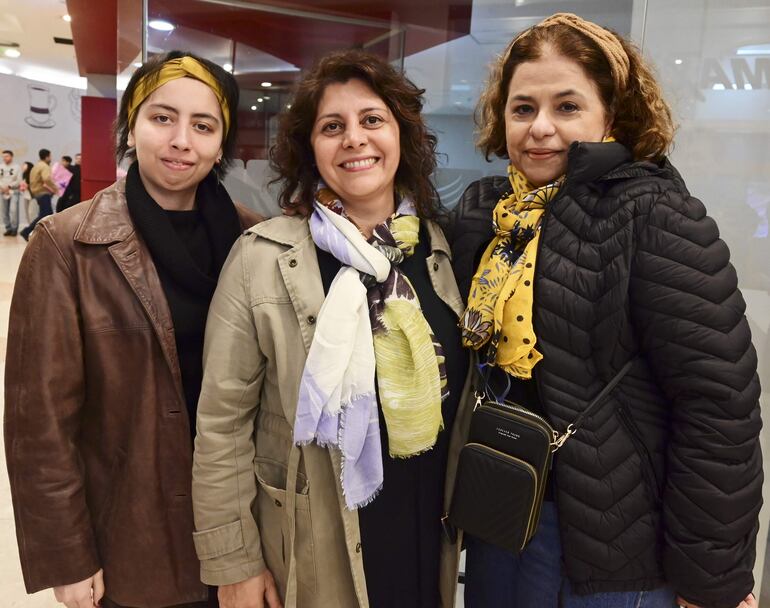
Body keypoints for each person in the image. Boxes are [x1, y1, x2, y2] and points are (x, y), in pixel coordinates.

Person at [449, 13, 761, 608]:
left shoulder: (656, 216)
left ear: (611, 116)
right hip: (506, 512)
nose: (540, 129)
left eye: (567, 107)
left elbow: (718, 409)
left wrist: (710, 579)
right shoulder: (486, 215)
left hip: (618, 549)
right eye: (522, 109)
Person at [191, 49, 471, 608]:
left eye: (372, 120)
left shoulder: (442, 251)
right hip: (314, 539)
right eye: (332, 126)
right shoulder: (262, 258)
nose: (354, 139)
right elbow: (221, 424)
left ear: (402, 137)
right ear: (309, 148)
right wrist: (234, 564)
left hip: (423, 527)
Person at [4, 50, 262, 608]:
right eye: (162, 117)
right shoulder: (67, 243)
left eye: (203, 125)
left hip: (243, 536)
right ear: (131, 126)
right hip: (132, 537)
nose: (181, 140)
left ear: (222, 142)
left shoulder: (255, 240)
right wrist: (67, 556)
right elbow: (38, 422)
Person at [20, 148, 57, 240]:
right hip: (43, 193)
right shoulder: (44, 166)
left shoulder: (35, 166)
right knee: (45, 215)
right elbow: (47, 179)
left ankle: (45, 235)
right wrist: (55, 188)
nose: (51, 158)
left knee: (47, 214)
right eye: (50, 156)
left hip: (36, 193)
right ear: (47, 157)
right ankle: (27, 231)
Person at [1, 149, 22, 236]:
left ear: (11, 156)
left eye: (7, 156)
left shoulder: (17, 167)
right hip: (2, 191)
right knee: (4, 211)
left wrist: (9, 186)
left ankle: (14, 229)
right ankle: (8, 228)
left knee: (13, 210)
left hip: (14, 191)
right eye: (3, 157)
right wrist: (2, 187)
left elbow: (19, 180)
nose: (5, 158)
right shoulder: (1, 166)